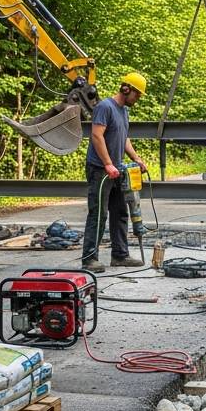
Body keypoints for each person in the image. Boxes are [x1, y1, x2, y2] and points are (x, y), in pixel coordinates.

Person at [82, 72, 149, 272]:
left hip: (117, 169)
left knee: (120, 212)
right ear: (126, 89)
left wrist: (136, 158)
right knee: (98, 214)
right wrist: (107, 164)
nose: (138, 99)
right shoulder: (105, 107)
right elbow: (97, 135)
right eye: (137, 94)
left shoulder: (123, 111)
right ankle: (89, 259)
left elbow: (124, 137)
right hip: (100, 170)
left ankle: (120, 255)